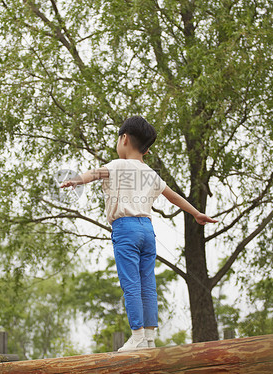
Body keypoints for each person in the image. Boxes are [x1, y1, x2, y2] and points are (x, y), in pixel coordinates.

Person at [60, 116, 218, 352]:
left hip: (126, 229)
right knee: (148, 284)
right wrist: (196, 214)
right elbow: (173, 196)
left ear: (123, 139)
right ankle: (150, 337)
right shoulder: (151, 174)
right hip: (147, 230)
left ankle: (136, 336)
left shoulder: (116, 166)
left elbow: (92, 175)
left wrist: (74, 180)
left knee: (131, 284)